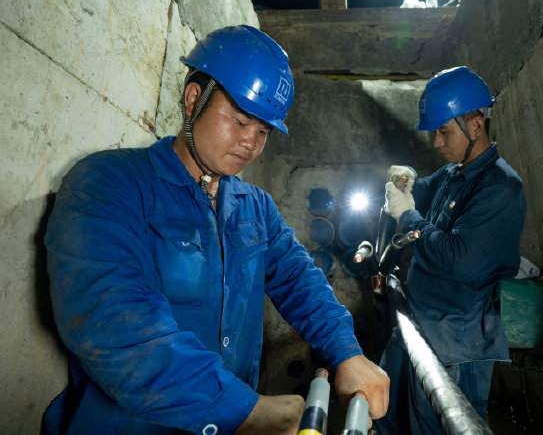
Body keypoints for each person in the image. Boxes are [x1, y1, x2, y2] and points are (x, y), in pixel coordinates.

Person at [43, 25, 389, 435]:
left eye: (263, 131)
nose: (251, 143)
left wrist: (347, 354)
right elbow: (114, 324)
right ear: (194, 100)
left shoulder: (255, 208)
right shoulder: (109, 184)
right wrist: (244, 411)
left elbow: (300, 280)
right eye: (240, 121)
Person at [374, 67, 526, 434]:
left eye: (444, 131)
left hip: (455, 344)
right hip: (416, 323)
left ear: (475, 125)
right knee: (385, 419)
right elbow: (416, 191)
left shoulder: (500, 189)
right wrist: (405, 177)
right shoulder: (453, 174)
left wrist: (408, 216)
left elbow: (459, 261)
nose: (436, 142)